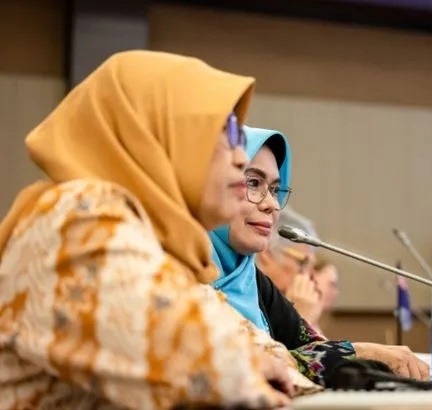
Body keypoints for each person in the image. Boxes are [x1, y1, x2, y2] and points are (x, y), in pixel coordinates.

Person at [0, 51, 295, 409]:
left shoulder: (162, 247)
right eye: (224, 132)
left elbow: (265, 354)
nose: (239, 157)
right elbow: (215, 365)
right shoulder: (76, 217)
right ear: (153, 134)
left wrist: (261, 362)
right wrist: (255, 363)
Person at [210, 127, 431, 385]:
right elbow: (251, 366)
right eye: (253, 183)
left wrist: (375, 356)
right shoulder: (186, 276)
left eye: (275, 189)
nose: (271, 204)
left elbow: (312, 351)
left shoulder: (253, 281)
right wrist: (365, 351)